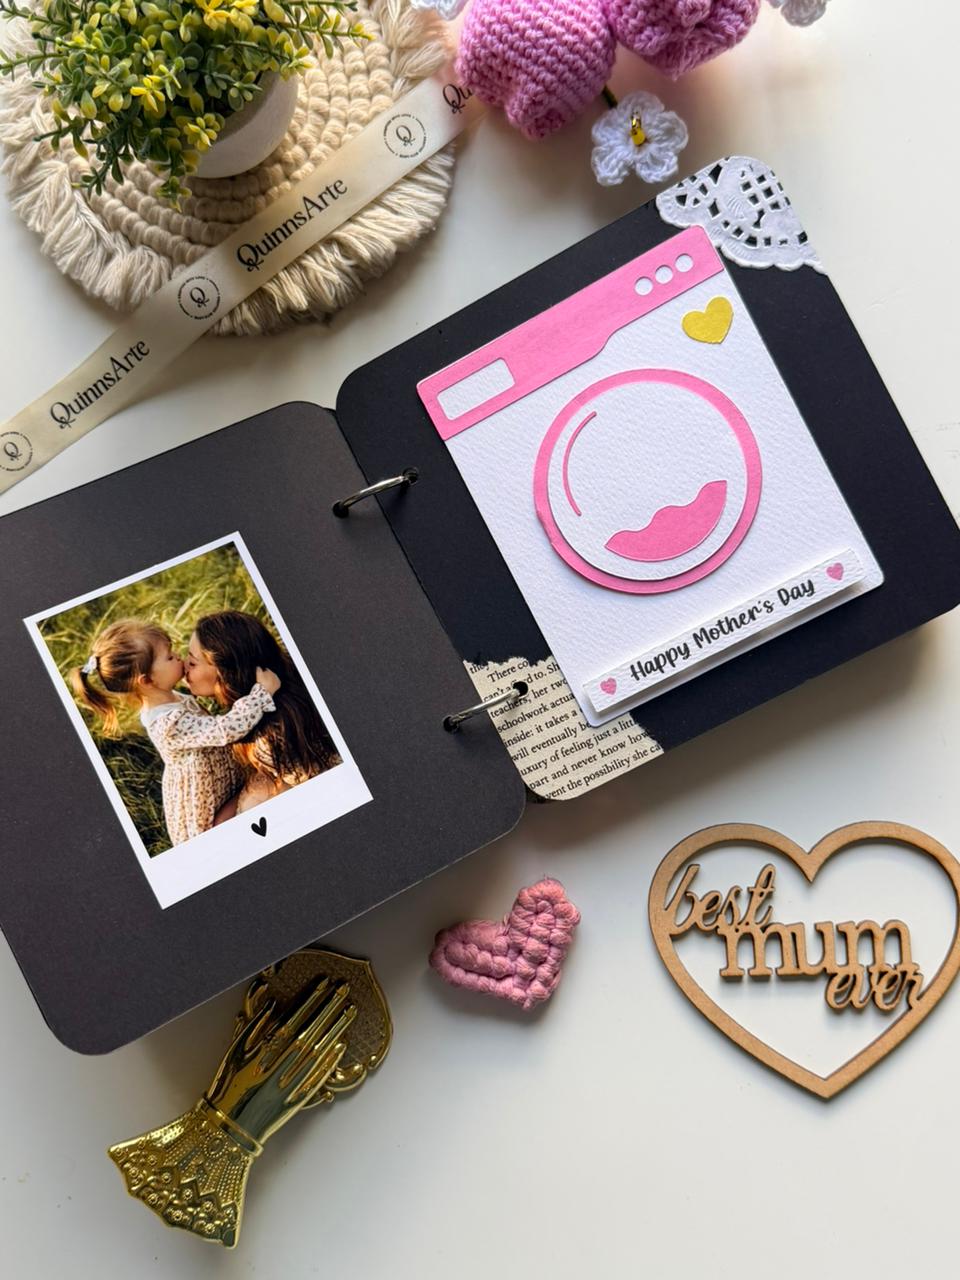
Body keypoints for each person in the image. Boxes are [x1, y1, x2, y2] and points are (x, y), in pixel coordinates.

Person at [71, 618, 281, 847]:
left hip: (220, 788)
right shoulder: (167, 724)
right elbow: (225, 730)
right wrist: (260, 694)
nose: (179, 657)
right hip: (205, 813)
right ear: (147, 680)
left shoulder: (173, 698)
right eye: (169, 657)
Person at [185, 610, 340, 819]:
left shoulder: (270, 736)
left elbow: (314, 791)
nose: (183, 666)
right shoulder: (278, 681)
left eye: (192, 662)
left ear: (225, 673)